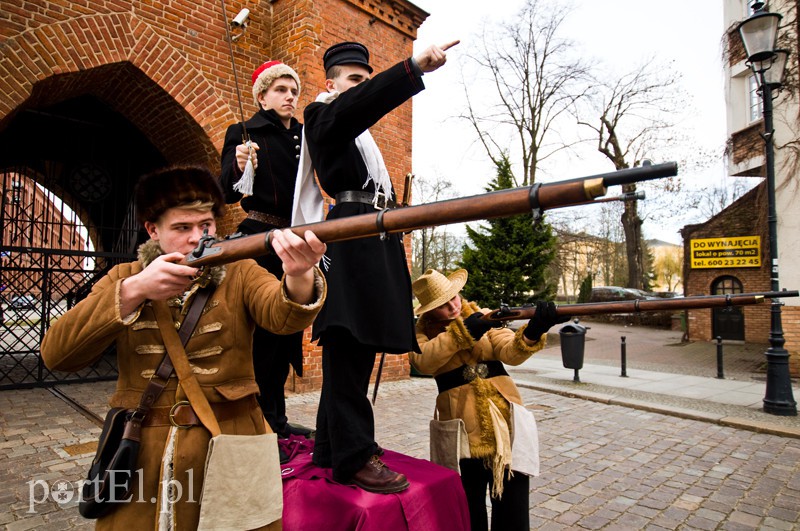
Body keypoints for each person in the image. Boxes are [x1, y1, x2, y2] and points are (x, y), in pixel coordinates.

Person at [40, 165, 327, 529]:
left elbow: (282, 314)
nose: (197, 237)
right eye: (182, 228)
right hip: (143, 452)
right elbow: (58, 354)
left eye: (205, 225)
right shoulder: (124, 279)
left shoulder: (240, 270)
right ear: (152, 230)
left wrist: (300, 274)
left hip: (231, 440)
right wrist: (134, 291)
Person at [296, 39, 458, 494]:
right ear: (330, 84)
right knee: (348, 345)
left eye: (365, 80)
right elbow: (354, 109)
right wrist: (409, 68)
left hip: (375, 237)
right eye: (353, 80)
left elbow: (361, 111)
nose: (360, 88)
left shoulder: (361, 136)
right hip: (350, 238)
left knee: (358, 347)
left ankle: (332, 447)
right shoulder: (322, 114)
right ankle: (354, 455)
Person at [409, 268, 568, 531]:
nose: (453, 306)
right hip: (460, 429)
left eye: (454, 297)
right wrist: (463, 332)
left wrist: (534, 329)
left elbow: (511, 352)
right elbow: (424, 360)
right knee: (467, 511)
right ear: (429, 310)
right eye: (443, 304)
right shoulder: (420, 333)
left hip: (503, 422)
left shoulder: (483, 316)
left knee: (513, 511)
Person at [219, 60, 312, 444]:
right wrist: (238, 165)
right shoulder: (244, 132)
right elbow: (225, 193)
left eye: (294, 91)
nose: (290, 96)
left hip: (295, 237)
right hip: (258, 238)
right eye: (281, 90)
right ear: (262, 95)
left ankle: (277, 415)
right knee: (261, 334)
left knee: (286, 333)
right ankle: (258, 422)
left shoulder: (307, 135)